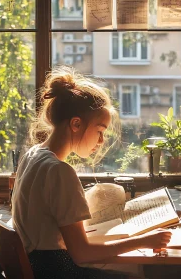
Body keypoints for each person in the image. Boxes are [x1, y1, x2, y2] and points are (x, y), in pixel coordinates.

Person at [11, 66, 172, 279]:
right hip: (58, 272)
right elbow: (82, 254)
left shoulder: (33, 154)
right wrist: (144, 241)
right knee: (138, 273)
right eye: (100, 130)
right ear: (76, 124)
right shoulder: (59, 171)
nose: (101, 140)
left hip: (39, 267)